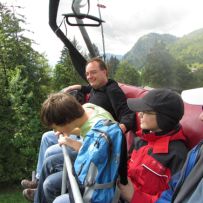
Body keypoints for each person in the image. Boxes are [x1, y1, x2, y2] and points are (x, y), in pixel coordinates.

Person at [21, 57, 135, 190]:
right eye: (87, 74)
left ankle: (46, 185)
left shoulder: (112, 90)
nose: (89, 77)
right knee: (47, 137)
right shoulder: (96, 88)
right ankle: (39, 179)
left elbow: (128, 116)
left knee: (51, 154)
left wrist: (115, 132)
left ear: (105, 72)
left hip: (97, 134)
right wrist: (76, 87)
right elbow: (88, 88)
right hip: (83, 127)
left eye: (93, 72)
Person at [27, 92, 128, 203]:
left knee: (50, 183)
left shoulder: (95, 130)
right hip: (96, 159)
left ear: (66, 121)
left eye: (56, 128)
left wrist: (70, 141)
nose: (56, 131)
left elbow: (94, 155)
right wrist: (66, 130)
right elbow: (83, 129)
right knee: (49, 163)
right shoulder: (88, 108)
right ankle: (39, 191)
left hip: (97, 173)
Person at [118, 88, 188, 203]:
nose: (140, 114)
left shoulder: (177, 155)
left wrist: (133, 197)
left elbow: (173, 198)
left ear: (163, 118)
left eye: (145, 111)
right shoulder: (141, 140)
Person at [156, 87, 203, 203]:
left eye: (147, 111)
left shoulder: (177, 151)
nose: (201, 117)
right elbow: (174, 189)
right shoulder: (197, 151)